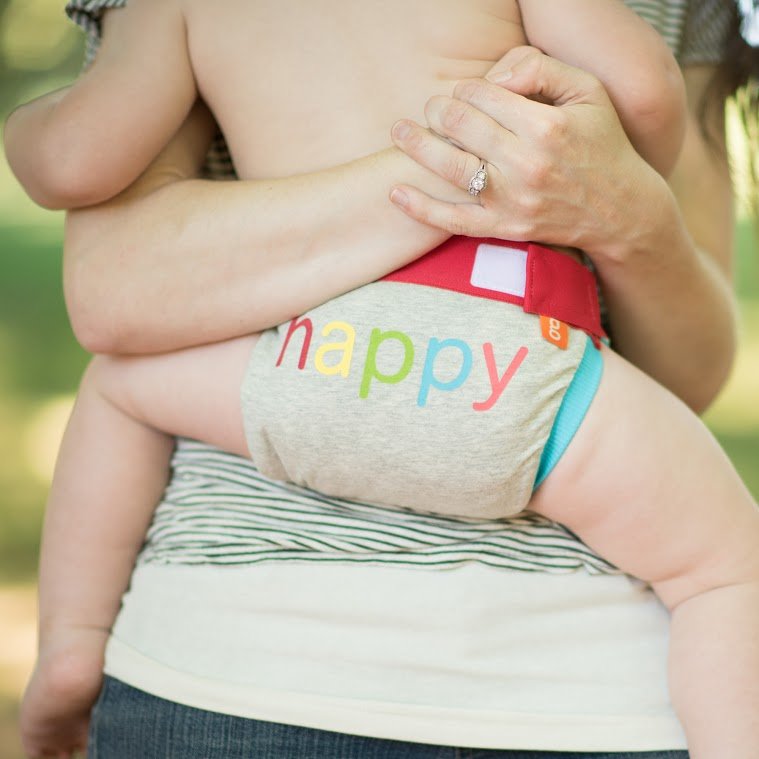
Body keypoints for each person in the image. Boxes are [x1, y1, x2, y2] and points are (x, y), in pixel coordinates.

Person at [6, 0, 757, 756]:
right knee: (723, 569)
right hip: (512, 362)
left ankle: (70, 644)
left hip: (309, 359)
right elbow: (643, 98)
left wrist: (23, 127)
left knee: (119, 391)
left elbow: (74, 162)